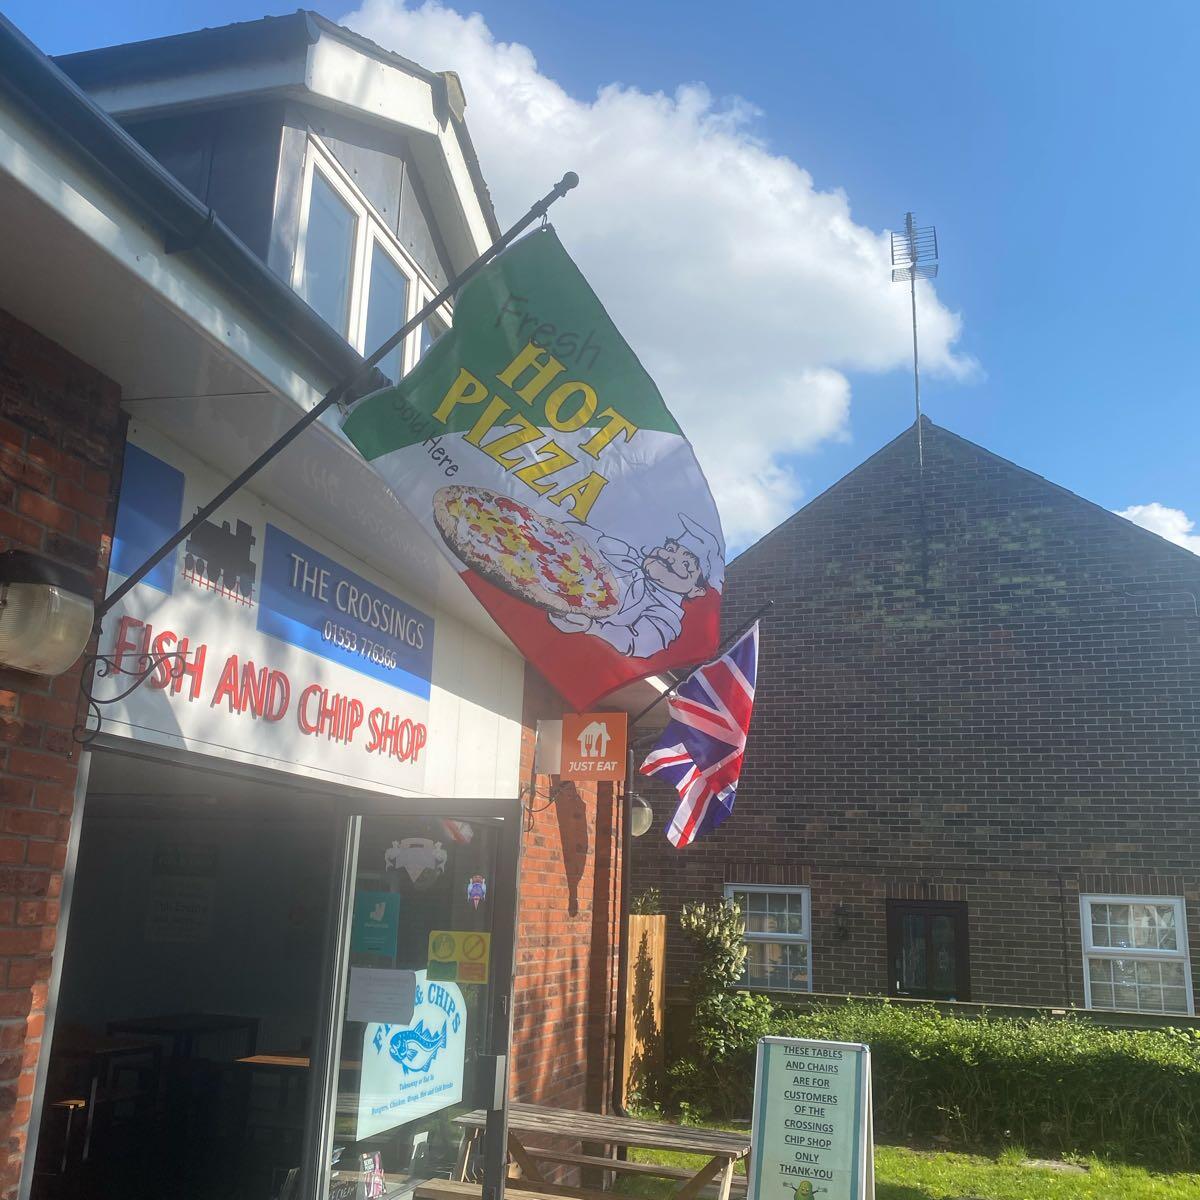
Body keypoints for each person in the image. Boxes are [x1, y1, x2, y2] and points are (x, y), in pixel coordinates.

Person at [549, 513, 721, 658]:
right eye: (670, 548)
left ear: (696, 590)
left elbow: (634, 642)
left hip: (573, 653)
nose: (668, 556)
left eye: (686, 565)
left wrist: (591, 627)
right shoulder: (626, 556)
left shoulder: (666, 617)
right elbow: (589, 537)